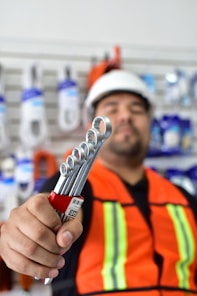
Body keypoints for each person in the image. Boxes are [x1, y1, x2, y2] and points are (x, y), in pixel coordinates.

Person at [0, 69, 197, 296]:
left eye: (136, 110)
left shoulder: (183, 197)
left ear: (150, 124)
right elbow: (47, 209)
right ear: (91, 127)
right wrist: (26, 230)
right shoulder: (80, 185)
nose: (125, 116)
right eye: (112, 109)